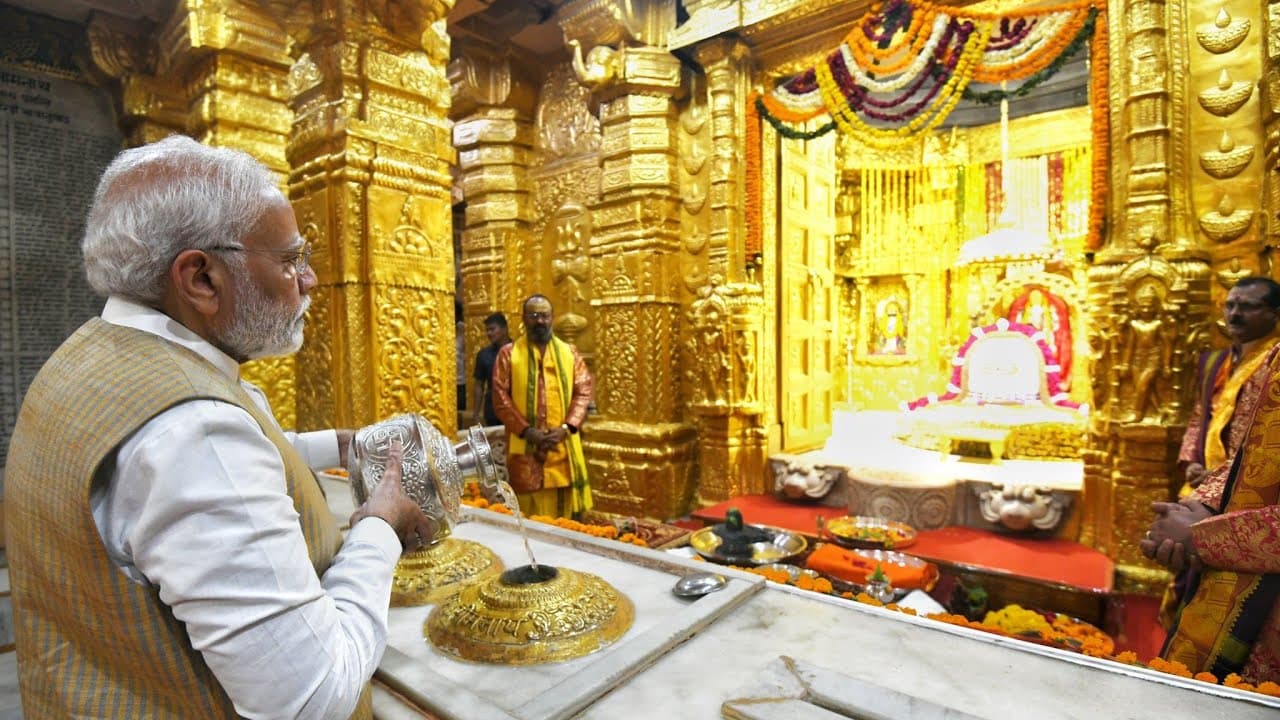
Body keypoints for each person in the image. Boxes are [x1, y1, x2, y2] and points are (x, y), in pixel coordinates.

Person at [4, 135, 433, 719]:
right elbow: (311, 698)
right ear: (201, 279)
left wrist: (341, 445)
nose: (309, 281)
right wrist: (379, 525)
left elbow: (208, 474)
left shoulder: (97, 357)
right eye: (290, 260)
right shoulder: (195, 432)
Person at [1142, 276, 1280, 684]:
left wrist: (1203, 533)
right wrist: (1201, 492)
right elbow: (1243, 447)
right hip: (1219, 488)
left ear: (1274, 315)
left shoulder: (1267, 358)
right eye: (1230, 305)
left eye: (1248, 306)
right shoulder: (1219, 361)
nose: (1235, 314)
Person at [491, 294, 593, 518]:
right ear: (524, 319)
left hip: (562, 446)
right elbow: (500, 399)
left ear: (552, 318)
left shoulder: (569, 353)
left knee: (564, 518)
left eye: (544, 316)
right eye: (534, 315)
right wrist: (528, 432)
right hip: (526, 450)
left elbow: (583, 391)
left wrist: (567, 428)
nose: (540, 321)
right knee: (528, 517)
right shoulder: (508, 354)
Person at [472, 312, 512, 426]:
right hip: (492, 410)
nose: (489, 333)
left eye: (492, 329)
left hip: (516, 409)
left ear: (504, 329)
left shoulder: (519, 350)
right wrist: (476, 414)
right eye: (487, 330)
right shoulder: (483, 354)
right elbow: (479, 385)